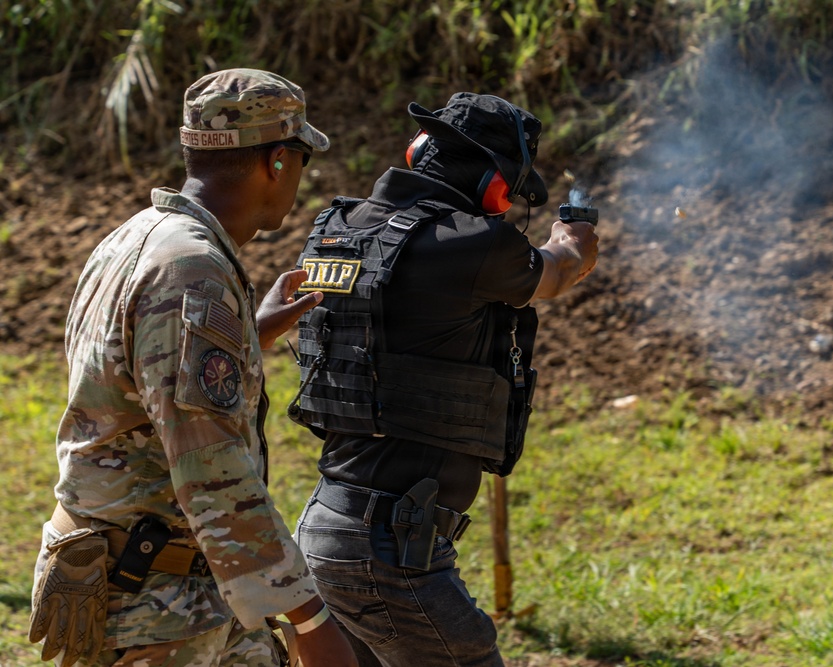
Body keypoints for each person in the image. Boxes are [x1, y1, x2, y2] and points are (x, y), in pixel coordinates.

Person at [29, 68, 356, 667]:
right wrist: (310, 620)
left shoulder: (133, 238)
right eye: (302, 163)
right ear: (278, 161)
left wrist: (249, 335)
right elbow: (211, 468)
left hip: (167, 582)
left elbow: (134, 386)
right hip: (156, 604)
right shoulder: (191, 271)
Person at [288, 92, 599, 666]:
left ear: (417, 151)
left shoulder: (340, 227)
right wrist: (574, 237)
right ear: (496, 189)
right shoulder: (475, 243)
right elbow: (558, 271)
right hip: (389, 551)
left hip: (326, 525)